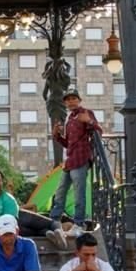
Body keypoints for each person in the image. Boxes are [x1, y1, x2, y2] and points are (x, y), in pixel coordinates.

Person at [47, 88, 101, 240]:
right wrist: (57, 136)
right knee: (60, 192)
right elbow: (68, 144)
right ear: (65, 103)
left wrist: (89, 121)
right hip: (70, 161)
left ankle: (79, 224)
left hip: (81, 159)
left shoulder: (86, 113)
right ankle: (54, 221)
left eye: (73, 98)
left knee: (79, 194)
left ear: (79, 100)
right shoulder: (70, 118)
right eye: (68, 99)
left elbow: (98, 131)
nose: (70, 101)